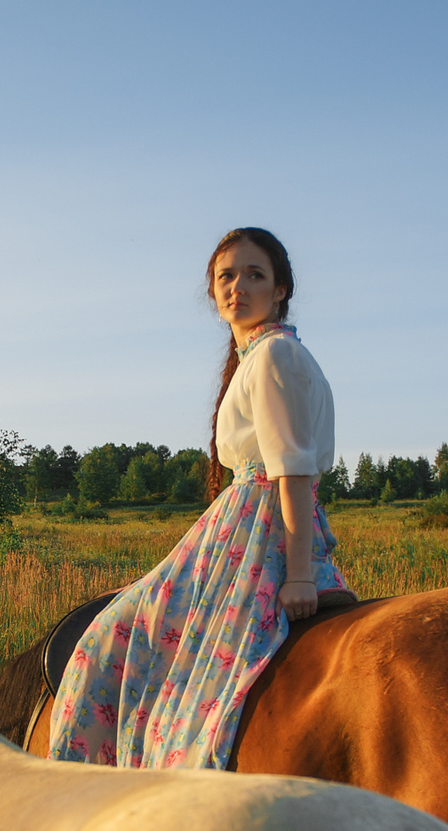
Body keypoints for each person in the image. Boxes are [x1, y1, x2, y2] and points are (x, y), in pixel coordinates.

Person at [48, 226, 351, 769]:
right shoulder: (264, 355)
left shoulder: (274, 356)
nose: (238, 286)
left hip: (255, 527)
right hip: (240, 523)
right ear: (213, 296)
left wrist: (299, 574)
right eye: (226, 277)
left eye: (255, 274)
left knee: (110, 638)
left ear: (281, 289)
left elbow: (293, 472)